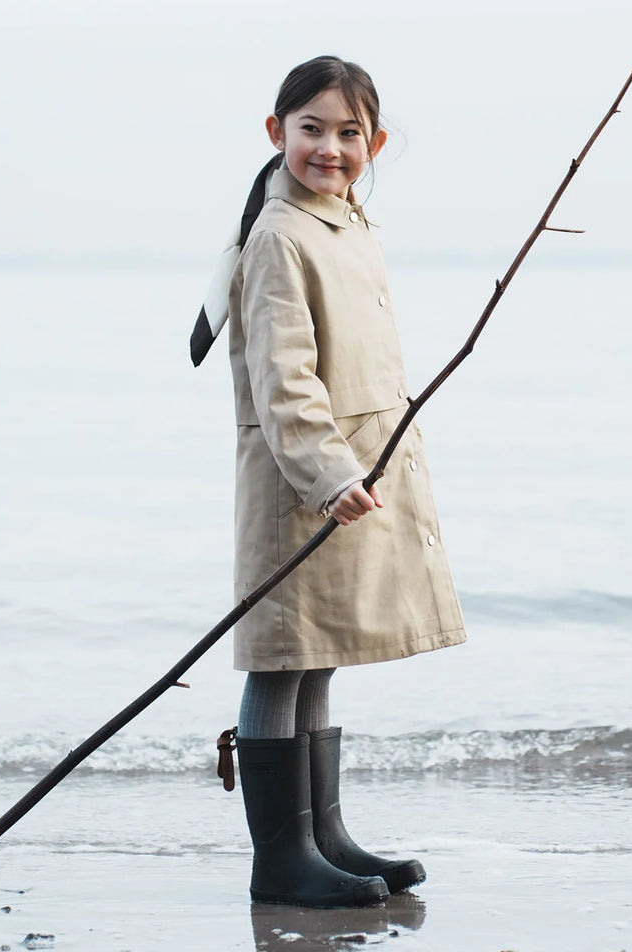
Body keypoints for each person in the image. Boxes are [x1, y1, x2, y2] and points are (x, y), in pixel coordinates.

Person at [193, 56, 466, 908]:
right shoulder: (280, 234)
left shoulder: (345, 222)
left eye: (350, 133)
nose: (331, 147)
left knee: (321, 658)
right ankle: (281, 859)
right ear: (276, 133)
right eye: (312, 128)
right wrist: (328, 474)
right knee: (283, 658)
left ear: (374, 143)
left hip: (350, 477)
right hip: (301, 482)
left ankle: (325, 836)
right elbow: (286, 381)